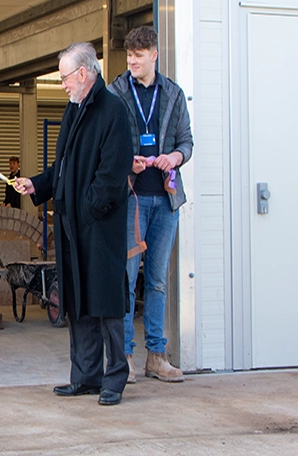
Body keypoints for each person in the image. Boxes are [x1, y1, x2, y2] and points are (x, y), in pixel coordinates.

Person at [14, 42, 133, 406]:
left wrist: (88, 210)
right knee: (78, 301)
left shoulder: (113, 110)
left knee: (106, 304)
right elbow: (62, 167)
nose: (63, 84)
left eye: (65, 77)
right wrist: (38, 184)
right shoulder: (74, 109)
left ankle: (114, 379)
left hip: (98, 225)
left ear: (83, 74)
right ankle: (85, 376)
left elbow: (112, 175)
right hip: (72, 224)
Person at [107, 26, 194, 384]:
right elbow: (107, 143)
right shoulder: (115, 93)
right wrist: (128, 160)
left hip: (166, 200)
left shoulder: (173, 93)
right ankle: (125, 355)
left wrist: (173, 157)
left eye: (138, 56)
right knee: (126, 280)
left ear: (154, 55)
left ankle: (156, 355)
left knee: (157, 281)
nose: (132, 62)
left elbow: (187, 142)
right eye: (128, 56)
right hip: (131, 200)